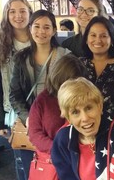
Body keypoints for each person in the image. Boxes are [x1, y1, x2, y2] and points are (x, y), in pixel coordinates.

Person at [9, 9, 70, 179]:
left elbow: (73, 91)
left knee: (59, 168)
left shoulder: (66, 57)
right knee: (31, 169)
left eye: (46, 27)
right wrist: (27, 117)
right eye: (36, 26)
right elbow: (14, 94)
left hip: (58, 123)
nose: (41, 31)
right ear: (30, 28)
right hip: (29, 123)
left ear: (54, 30)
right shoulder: (21, 58)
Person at [0, 0, 33, 180]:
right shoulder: (0, 46)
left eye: (22, 10)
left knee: (48, 159)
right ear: (7, 15)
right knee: (23, 161)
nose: (18, 16)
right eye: (12, 11)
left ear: (30, 13)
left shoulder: (41, 38)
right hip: (15, 112)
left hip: (42, 109)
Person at [28, 54, 86, 180]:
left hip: (81, 160)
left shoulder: (84, 98)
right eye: (67, 81)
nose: (70, 86)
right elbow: (34, 134)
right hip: (51, 162)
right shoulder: (42, 100)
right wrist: (58, 149)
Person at [80, 16, 114, 122]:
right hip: (85, 129)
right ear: (86, 39)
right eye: (93, 35)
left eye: (104, 36)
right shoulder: (79, 65)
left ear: (112, 39)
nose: (98, 40)